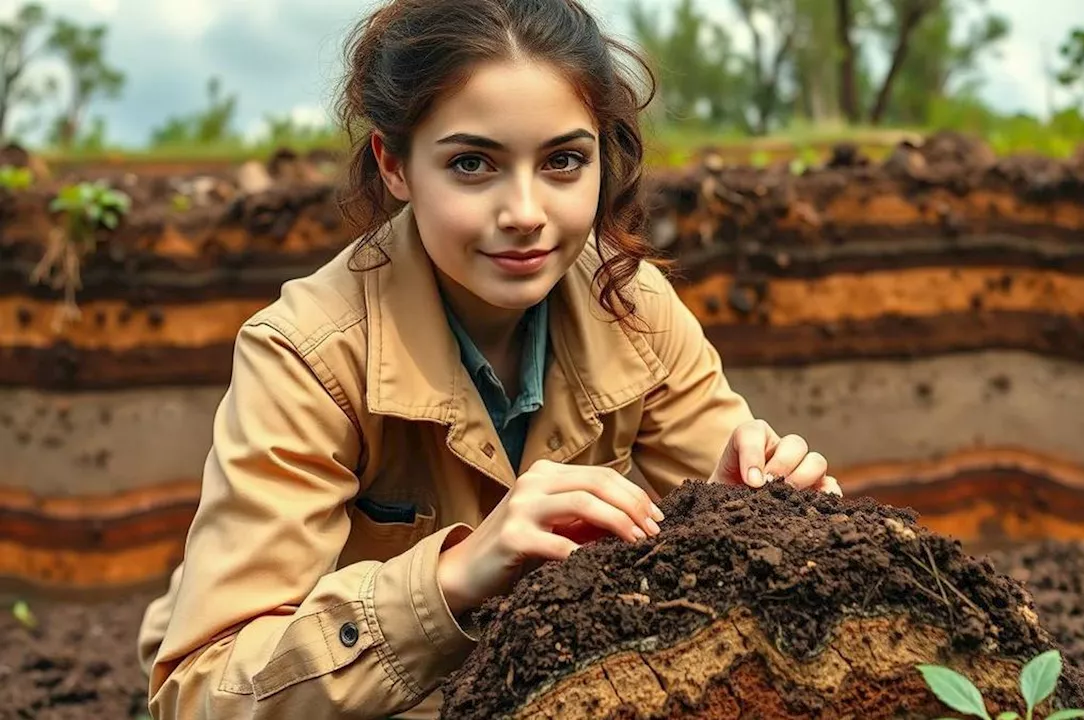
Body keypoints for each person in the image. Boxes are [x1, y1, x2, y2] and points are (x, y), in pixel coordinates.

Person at [135, 0, 841, 717]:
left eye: (565, 160)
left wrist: (741, 511)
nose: (525, 211)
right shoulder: (306, 355)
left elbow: (762, 531)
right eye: (473, 164)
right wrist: (453, 577)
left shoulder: (631, 305)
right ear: (395, 165)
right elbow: (201, 691)